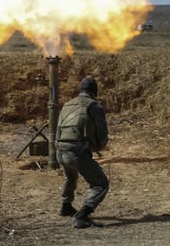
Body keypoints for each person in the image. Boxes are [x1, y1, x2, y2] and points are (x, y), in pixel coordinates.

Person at [55, 75, 109, 228]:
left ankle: (66, 206)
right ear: (95, 91)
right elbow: (102, 134)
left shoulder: (67, 105)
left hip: (60, 151)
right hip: (77, 152)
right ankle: (82, 215)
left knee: (70, 177)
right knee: (101, 184)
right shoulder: (94, 106)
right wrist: (99, 146)